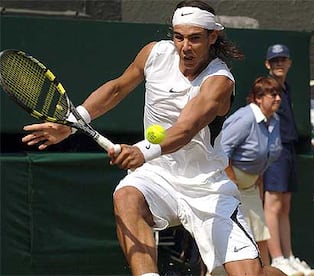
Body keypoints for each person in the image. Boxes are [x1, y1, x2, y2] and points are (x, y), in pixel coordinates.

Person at [21, 1, 284, 275]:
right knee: (126, 196)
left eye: (195, 38)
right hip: (158, 175)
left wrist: (142, 151)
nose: (185, 47)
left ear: (212, 37)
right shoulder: (154, 54)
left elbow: (186, 128)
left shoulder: (219, 81)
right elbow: (117, 88)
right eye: (178, 37)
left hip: (207, 187)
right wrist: (73, 124)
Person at [263, 44, 314, 276]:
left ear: (289, 63)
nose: (279, 64)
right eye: (274, 61)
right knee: (273, 204)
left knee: (285, 205)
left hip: (288, 149)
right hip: (274, 151)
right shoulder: (267, 87)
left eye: (282, 60)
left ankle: (288, 256)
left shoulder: (287, 88)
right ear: (268, 64)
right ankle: (277, 259)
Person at [220, 76, 283, 267]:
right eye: (272, 94)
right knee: (234, 236)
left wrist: (258, 179)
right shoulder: (245, 118)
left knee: (260, 235)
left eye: (278, 94)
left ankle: (262, 272)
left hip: (251, 185)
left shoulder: (275, 120)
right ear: (257, 98)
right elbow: (221, 150)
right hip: (230, 185)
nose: (277, 98)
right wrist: (232, 182)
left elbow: (265, 155)